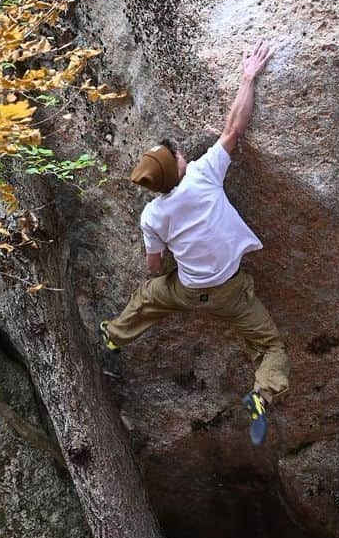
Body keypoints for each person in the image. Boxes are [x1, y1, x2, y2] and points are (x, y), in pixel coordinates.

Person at [100, 40, 290, 444]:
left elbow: (153, 267)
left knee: (151, 294)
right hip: (232, 292)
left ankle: (115, 334)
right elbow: (234, 128)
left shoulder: (152, 215)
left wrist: (168, 266)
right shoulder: (203, 175)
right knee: (271, 347)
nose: (183, 153)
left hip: (188, 290)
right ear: (177, 168)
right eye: (178, 154)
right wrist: (247, 77)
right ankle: (262, 393)